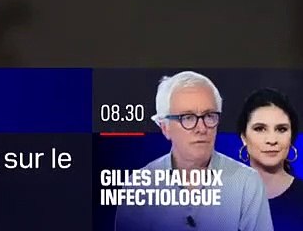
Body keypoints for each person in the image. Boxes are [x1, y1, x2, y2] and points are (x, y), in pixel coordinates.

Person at [116, 71, 274, 231]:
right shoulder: (138, 187)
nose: (201, 128)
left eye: (209, 116)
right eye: (188, 117)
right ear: (165, 128)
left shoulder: (246, 183)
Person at [237, 89, 303, 230]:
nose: (271, 140)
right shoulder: (220, 202)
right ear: (244, 137)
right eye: (260, 129)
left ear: (291, 137)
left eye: (281, 129)